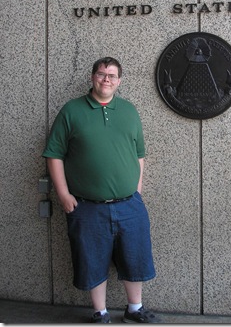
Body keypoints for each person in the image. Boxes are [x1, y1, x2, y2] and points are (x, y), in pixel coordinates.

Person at [42, 57, 159, 323]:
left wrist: (136, 190)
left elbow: (139, 153)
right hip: (87, 206)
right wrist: (62, 193)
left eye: (112, 75)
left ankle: (135, 309)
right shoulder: (71, 111)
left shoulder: (129, 111)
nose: (107, 79)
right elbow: (54, 154)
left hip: (130, 204)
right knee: (92, 260)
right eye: (102, 73)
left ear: (119, 81)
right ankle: (100, 312)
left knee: (135, 257)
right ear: (93, 77)